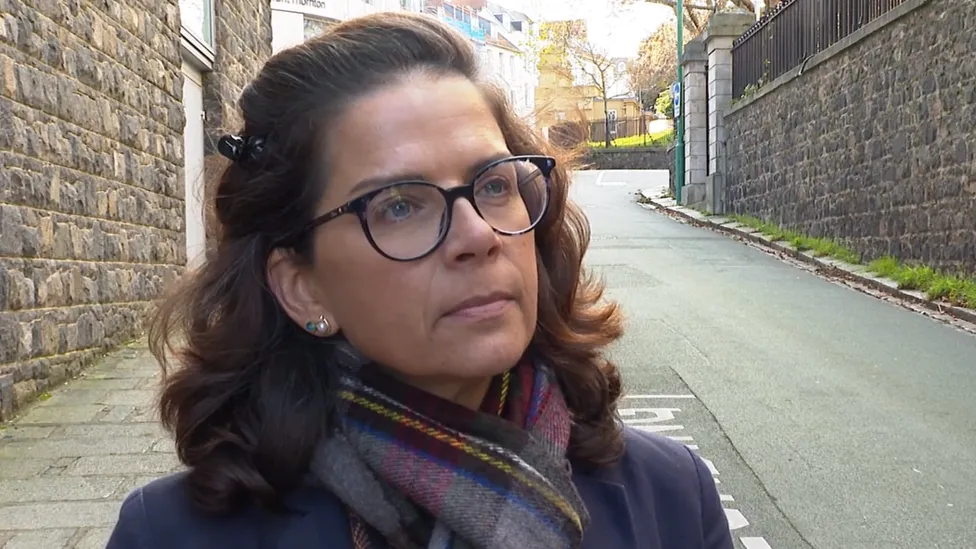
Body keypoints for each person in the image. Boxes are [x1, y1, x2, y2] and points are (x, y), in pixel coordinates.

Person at [105, 11, 732, 549]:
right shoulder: (171, 533)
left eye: (492, 185)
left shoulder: (672, 500)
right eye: (399, 205)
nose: (479, 236)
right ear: (303, 287)